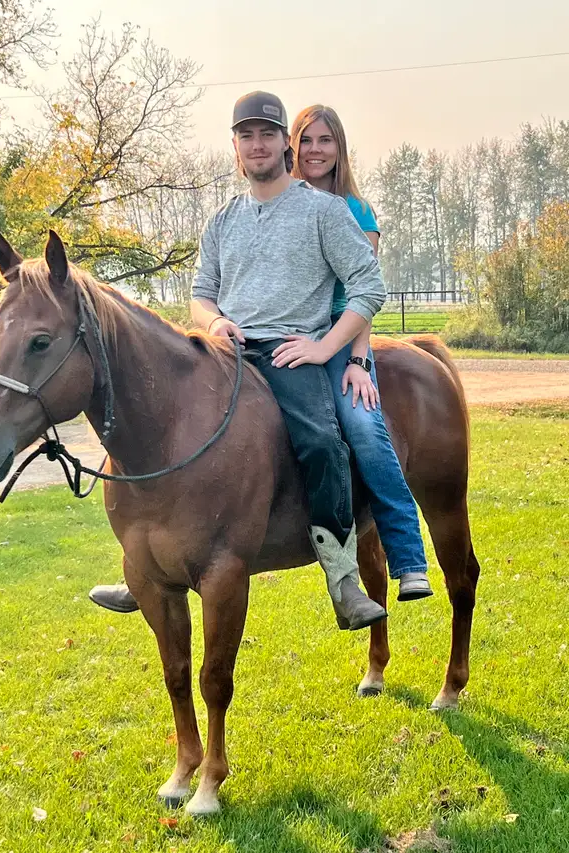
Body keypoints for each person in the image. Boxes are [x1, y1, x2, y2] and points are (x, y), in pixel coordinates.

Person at [90, 91, 387, 631]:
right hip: (226, 350)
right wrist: (212, 322)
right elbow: (201, 294)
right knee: (158, 429)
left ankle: (342, 575)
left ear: (284, 145)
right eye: (246, 135)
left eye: (267, 134)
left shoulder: (322, 211)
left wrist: (324, 346)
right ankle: (142, 564)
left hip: (289, 354)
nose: (257, 144)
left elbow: (369, 285)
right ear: (235, 146)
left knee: (322, 441)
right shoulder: (222, 220)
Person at [289, 105, 432, 601]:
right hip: (284, 333)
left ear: (339, 148)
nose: (315, 150)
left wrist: (357, 359)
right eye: (306, 140)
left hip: (338, 335)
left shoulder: (357, 212)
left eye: (325, 140)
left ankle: (409, 556)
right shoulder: (280, 206)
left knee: (365, 426)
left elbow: (362, 295)